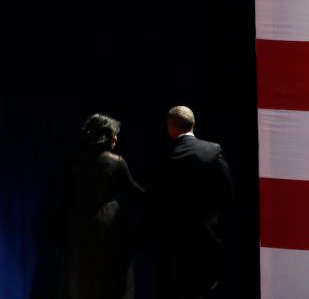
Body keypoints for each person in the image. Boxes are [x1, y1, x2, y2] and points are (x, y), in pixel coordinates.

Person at [57, 113, 144, 299]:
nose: (116, 138)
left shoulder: (76, 161)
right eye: (114, 133)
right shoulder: (116, 162)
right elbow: (135, 191)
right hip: (108, 222)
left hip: (80, 222)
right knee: (109, 272)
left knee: (82, 272)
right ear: (105, 135)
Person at [151, 105, 233, 299]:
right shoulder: (213, 151)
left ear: (170, 127)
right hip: (207, 235)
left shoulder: (164, 155)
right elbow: (228, 191)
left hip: (173, 240)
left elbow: (155, 197)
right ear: (193, 124)